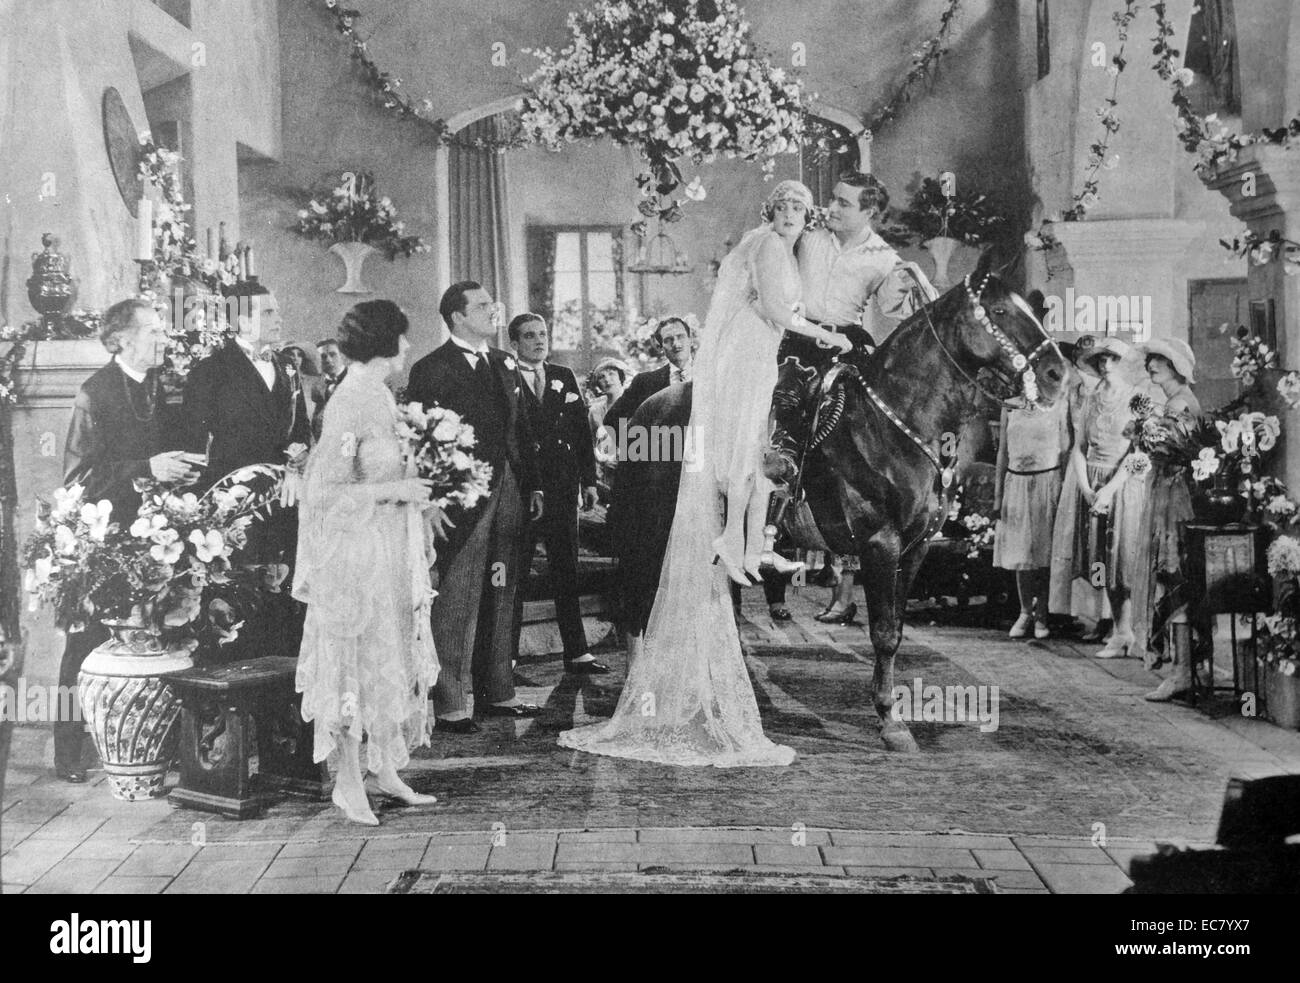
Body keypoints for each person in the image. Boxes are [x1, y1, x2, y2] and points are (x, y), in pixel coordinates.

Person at [558, 180, 849, 767]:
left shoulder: (784, 251)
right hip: (750, 350)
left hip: (762, 348)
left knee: (762, 449)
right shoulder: (766, 247)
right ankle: (745, 541)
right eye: (785, 205)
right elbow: (772, 310)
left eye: (801, 206)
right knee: (749, 450)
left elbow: (789, 307)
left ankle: (759, 538)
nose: (793, 214)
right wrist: (827, 334)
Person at [294, 300, 440, 826]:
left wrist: (416, 499)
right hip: (352, 555)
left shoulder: (378, 392)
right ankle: (348, 781)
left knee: (387, 657)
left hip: (385, 549)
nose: (407, 346)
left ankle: (385, 770)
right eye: (402, 337)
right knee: (352, 666)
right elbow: (324, 491)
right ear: (385, 342)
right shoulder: (350, 400)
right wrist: (398, 489)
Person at [57, 298, 201, 781]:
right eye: (154, 331)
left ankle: (156, 743)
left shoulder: (169, 387)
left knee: (166, 636)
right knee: (88, 642)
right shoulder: (94, 392)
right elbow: (78, 479)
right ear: (121, 339)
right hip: (110, 538)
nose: (164, 338)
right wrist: (148, 469)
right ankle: (69, 752)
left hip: (164, 533)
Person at [406, 282, 544, 733]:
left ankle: (497, 692)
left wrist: (533, 485)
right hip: (463, 500)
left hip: (509, 491)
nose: (494, 311)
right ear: (458, 316)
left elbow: (521, 428)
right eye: (483, 306)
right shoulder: (432, 368)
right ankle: (450, 702)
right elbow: (420, 441)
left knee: (501, 589)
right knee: (458, 596)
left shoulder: (504, 362)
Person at [764, 171, 935, 486]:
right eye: (832, 199)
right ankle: (782, 472)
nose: (832, 208)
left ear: (868, 212)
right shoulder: (809, 230)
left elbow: (891, 306)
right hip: (798, 338)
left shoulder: (883, 257)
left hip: (846, 343)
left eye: (844, 203)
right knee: (783, 398)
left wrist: (906, 285)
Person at [508, 312, 609, 675]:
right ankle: (506, 658)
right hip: (521, 490)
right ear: (515, 342)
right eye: (530, 335)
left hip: (563, 487)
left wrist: (590, 482)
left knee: (566, 567)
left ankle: (577, 652)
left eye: (543, 334)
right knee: (515, 572)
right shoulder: (505, 376)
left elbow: (582, 434)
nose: (539, 340)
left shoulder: (563, 376)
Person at [1049, 336, 1145, 659]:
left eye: (1112, 359)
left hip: (1122, 483)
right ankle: (1121, 631)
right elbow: (1078, 446)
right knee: (1101, 558)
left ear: (1122, 363)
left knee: (1124, 559)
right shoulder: (1089, 398)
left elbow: (1137, 452)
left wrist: (1109, 489)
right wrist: (1087, 487)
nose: (1105, 365)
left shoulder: (1134, 399)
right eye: (1101, 360)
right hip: (1093, 481)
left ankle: (1130, 632)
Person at [1135, 338, 1204, 701]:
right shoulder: (1174, 403)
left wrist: (1148, 436)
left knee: (1172, 574)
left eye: (1159, 359)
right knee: (1169, 575)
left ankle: (1181, 671)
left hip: (1175, 496)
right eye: (1150, 359)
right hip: (1166, 490)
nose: (1152, 365)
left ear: (1176, 365)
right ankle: (1182, 667)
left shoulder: (1182, 404)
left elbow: (1170, 448)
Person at [994, 397, 1070, 639]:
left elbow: (1067, 449)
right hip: (1016, 483)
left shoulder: (1059, 403)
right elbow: (1002, 452)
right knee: (1021, 553)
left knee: (1045, 553)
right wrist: (997, 495)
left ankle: (1043, 616)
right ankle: (1025, 611)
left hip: (1049, 483)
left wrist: (1068, 494)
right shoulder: (1009, 404)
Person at [602, 317, 694, 438]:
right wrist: (638, 450)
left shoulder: (710, 377)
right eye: (668, 340)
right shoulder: (644, 382)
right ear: (660, 347)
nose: (676, 344)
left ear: (690, 340)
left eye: (680, 336)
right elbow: (611, 421)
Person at [312, 338, 348, 440]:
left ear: (342, 356)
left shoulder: (356, 380)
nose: (328, 360)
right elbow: (316, 420)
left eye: (333, 354)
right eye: (323, 357)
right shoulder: (317, 386)